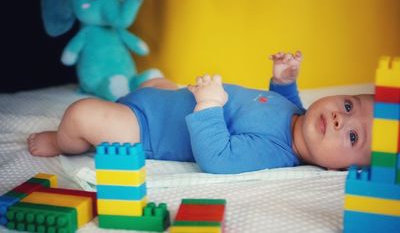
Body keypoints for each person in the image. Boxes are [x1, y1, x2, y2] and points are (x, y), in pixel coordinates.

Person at [27, 51, 374, 174]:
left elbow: (218, 158)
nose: (341, 119)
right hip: (167, 100)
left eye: (353, 136)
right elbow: (283, 103)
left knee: (81, 114)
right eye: (348, 105)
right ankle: (138, 88)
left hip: (146, 130)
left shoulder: (276, 151)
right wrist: (283, 82)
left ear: (342, 169)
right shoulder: (296, 114)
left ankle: (64, 141)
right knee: (159, 80)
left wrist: (209, 104)